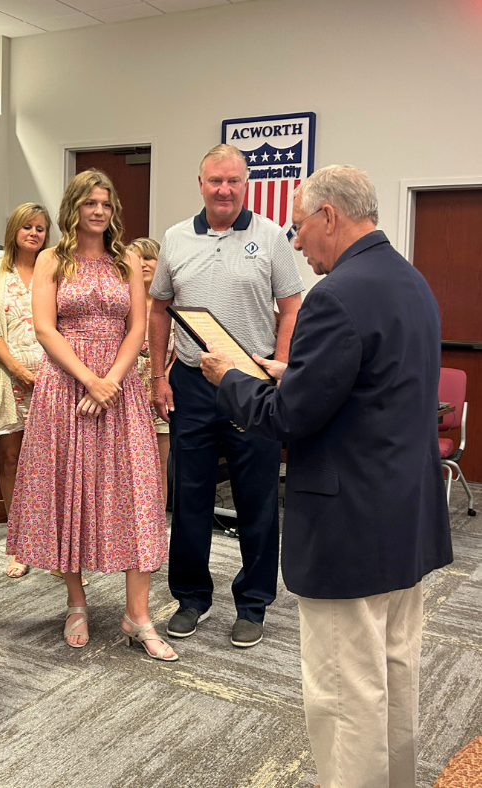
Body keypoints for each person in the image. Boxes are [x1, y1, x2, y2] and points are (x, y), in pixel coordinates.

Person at [199, 164, 452, 788]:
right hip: (403, 518)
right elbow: (373, 387)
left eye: (298, 226)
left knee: (345, 697)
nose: (295, 241)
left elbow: (287, 419)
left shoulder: (335, 294)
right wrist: (293, 369)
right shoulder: (409, 279)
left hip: (349, 528)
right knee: (394, 680)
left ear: (328, 216)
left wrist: (230, 377)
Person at [6, 169, 175, 661]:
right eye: (89, 203)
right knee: (71, 490)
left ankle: (137, 615)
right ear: (73, 208)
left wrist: (112, 383)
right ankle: (75, 602)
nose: (98, 211)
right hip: (66, 386)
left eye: (105, 203)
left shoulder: (128, 259)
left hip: (120, 390)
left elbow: (137, 326)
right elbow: (44, 328)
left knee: (139, 494)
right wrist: (89, 380)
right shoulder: (50, 260)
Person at [148, 143, 304, 648]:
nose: (224, 189)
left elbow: (290, 308)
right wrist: (157, 375)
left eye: (233, 180)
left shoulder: (272, 238)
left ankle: (253, 603)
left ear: (246, 184)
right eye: (215, 180)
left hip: (252, 384)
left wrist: (276, 371)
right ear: (201, 184)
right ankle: (191, 597)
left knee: (257, 496)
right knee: (188, 494)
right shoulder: (174, 238)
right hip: (193, 384)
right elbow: (159, 310)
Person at [0, 203, 51, 578]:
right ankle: (19, 543)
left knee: (51, 464)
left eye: (40, 228)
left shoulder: (55, 268)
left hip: (53, 378)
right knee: (11, 459)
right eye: (27, 227)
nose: (34, 234)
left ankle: (56, 547)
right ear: (13, 230)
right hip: (10, 378)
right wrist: (18, 369)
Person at [125, 237, 172, 509]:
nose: (142, 264)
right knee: (126, 468)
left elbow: (180, 353)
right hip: (126, 395)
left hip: (159, 396)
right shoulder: (122, 306)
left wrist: (163, 376)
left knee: (158, 465)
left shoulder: (170, 305)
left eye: (148, 258)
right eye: (136, 258)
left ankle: (155, 530)